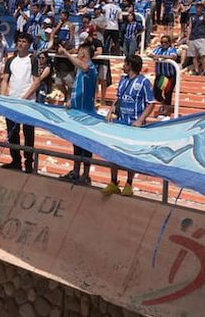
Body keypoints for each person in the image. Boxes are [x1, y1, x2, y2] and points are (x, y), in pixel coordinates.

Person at [103, 54, 154, 196]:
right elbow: (118, 99)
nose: (123, 66)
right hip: (120, 123)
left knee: (130, 154)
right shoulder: (123, 80)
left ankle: (129, 184)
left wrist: (139, 120)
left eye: (125, 64)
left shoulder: (144, 82)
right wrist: (110, 112)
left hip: (134, 125)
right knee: (114, 152)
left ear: (130, 65)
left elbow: (151, 103)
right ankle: (113, 182)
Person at [56, 42, 97, 185]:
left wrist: (66, 53)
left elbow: (84, 66)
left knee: (86, 145)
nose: (77, 54)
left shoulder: (90, 67)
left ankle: (85, 175)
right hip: (76, 111)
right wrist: (70, 101)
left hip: (86, 113)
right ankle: (75, 171)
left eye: (79, 51)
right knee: (76, 143)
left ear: (83, 53)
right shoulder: (79, 71)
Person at [0, 32, 40, 173]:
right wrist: (4, 96)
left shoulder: (32, 59)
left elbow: (36, 81)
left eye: (24, 41)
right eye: (19, 41)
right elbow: (5, 79)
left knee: (28, 134)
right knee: (13, 133)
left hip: (27, 103)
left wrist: (25, 97)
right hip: (12, 102)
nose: (21, 44)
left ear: (28, 44)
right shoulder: (11, 60)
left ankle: (29, 162)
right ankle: (16, 160)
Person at [150, 35, 179, 118]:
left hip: (170, 75)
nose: (163, 44)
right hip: (160, 75)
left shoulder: (172, 49)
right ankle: (164, 103)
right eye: (162, 42)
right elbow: (150, 54)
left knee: (167, 93)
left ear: (169, 43)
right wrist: (153, 56)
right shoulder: (158, 49)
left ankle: (166, 110)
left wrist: (160, 56)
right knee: (156, 93)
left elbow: (173, 57)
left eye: (165, 42)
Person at [183, 2, 205, 76]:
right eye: (197, 7)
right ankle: (196, 70)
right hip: (193, 37)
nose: (198, 8)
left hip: (201, 37)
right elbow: (190, 28)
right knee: (194, 55)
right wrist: (188, 38)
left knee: (203, 55)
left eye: (200, 7)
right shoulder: (192, 17)